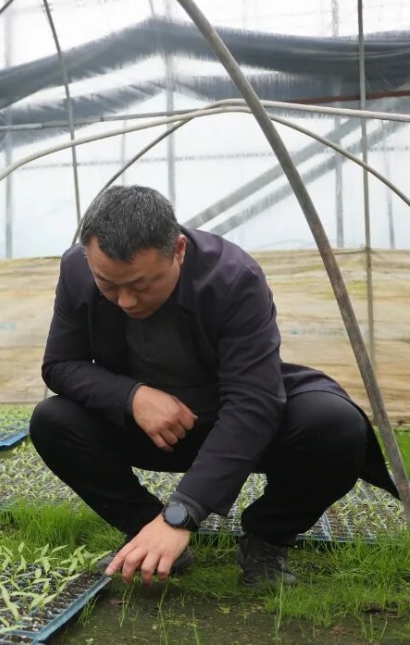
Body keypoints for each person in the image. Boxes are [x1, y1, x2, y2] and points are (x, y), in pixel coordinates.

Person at [31, 185, 397, 587]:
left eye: (141, 284)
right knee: (53, 421)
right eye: (108, 285)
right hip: (154, 431)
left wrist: (183, 512)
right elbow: (61, 364)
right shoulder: (77, 269)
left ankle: (267, 538)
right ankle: (147, 532)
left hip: (232, 422)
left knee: (336, 426)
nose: (126, 301)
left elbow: (252, 401)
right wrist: (131, 396)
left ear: (179, 250)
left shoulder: (233, 278)